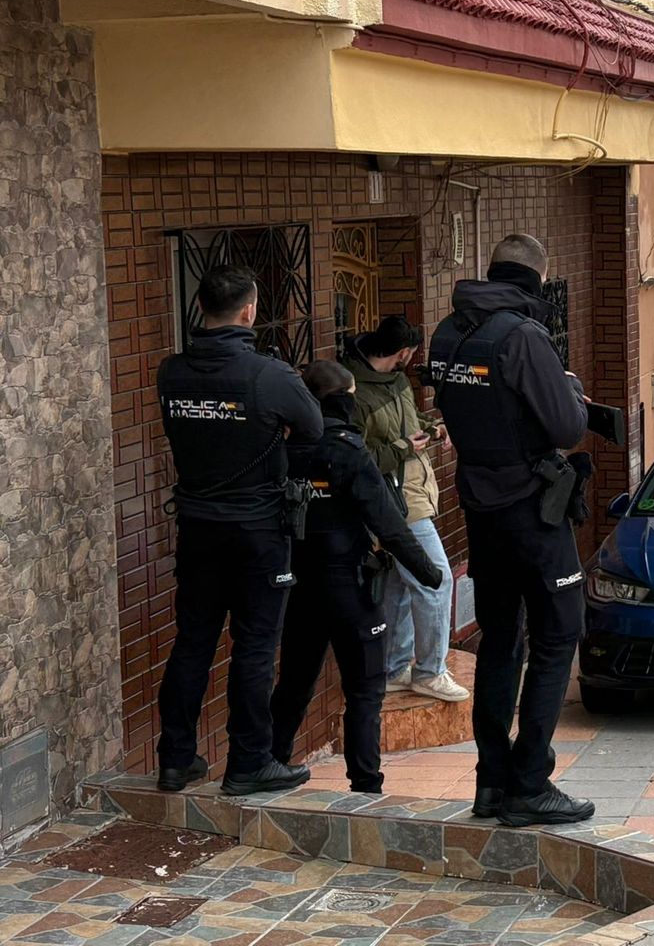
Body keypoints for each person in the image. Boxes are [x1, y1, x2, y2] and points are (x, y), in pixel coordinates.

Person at [427, 233, 593, 828]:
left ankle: (492, 783)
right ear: (536, 280)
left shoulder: (449, 332)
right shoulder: (523, 336)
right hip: (533, 509)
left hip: (479, 508)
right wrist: (569, 389)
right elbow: (568, 425)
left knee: (500, 640)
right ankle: (531, 783)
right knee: (557, 633)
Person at [154, 264, 323, 796]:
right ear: (250, 311)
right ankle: (249, 760)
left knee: (193, 642)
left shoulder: (171, 372)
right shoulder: (270, 375)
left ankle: (176, 758)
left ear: (199, 307)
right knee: (254, 646)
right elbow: (314, 428)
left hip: (197, 527)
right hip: (257, 530)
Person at [270, 361, 446, 793]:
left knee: (293, 682)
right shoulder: (348, 450)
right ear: (343, 399)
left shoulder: (281, 449)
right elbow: (389, 522)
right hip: (350, 583)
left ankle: (269, 763)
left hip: (299, 585)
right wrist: (429, 573)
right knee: (365, 691)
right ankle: (366, 783)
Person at [345, 315, 468, 704]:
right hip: (391, 500)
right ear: (402, 352)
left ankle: (395, 666)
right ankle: (431, 670)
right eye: (411, 354)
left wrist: (434, 429)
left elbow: (408, 424)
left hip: (414, 489)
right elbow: (356, 458)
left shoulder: (397, 381)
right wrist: (403, 449)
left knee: (400, 584)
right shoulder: (353, 392)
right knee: (436, 578)